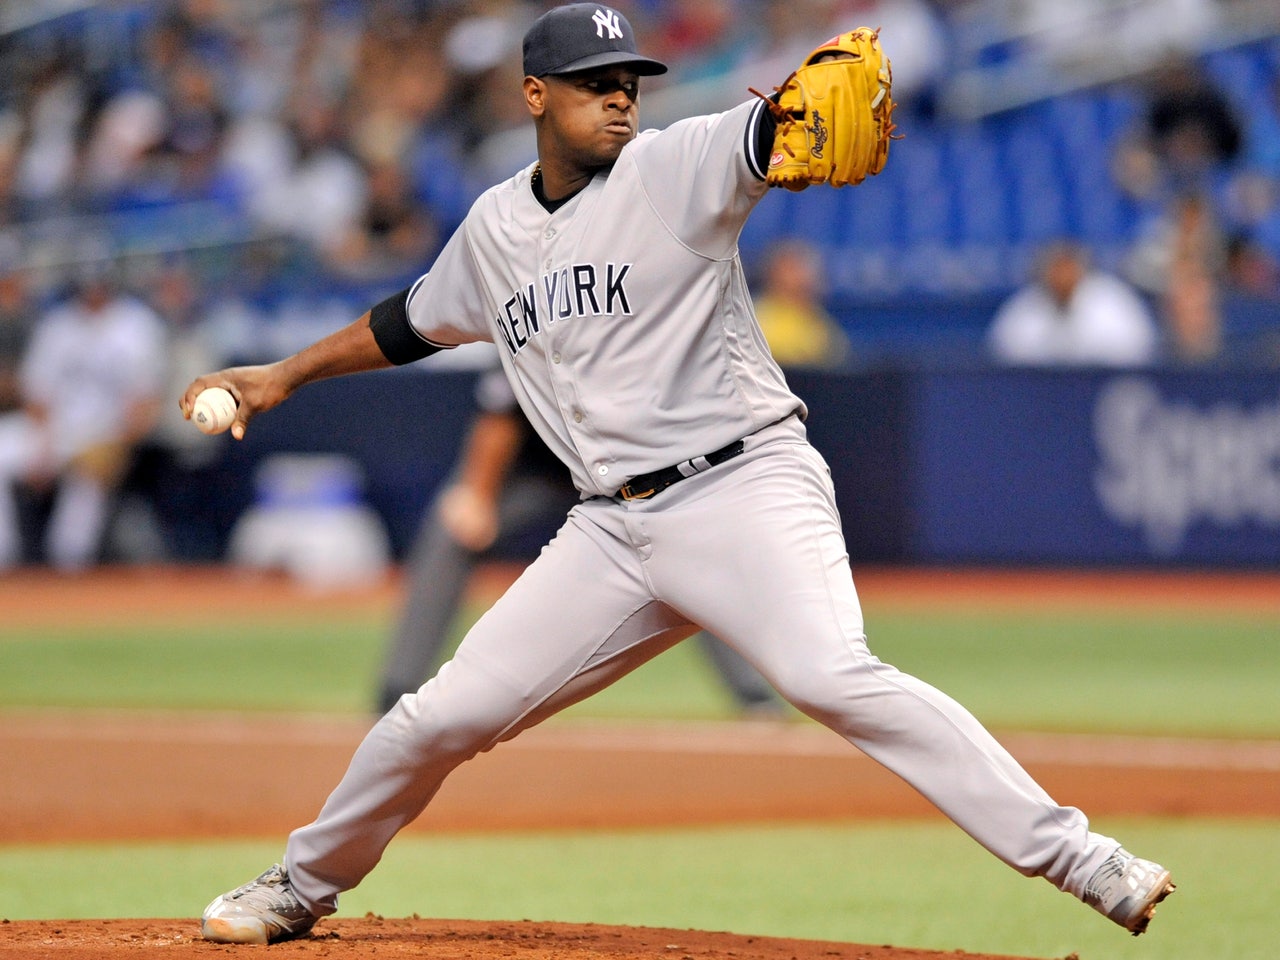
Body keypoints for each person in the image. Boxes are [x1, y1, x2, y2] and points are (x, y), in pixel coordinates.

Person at [185, 4, 1174, 946]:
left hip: (743, 487)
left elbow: (761, 136)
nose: (619, 99)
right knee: (436, 716)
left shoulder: (672, 166)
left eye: (629, 81)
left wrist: (786, 117)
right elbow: (406, 323)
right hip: (609, 533)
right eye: (591, 84)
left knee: (832, 677)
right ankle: (301, 884)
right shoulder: (492, 229)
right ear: (533, 95)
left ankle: (1079, 857)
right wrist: (280, 375)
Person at [375, 357, 783, 718]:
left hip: (632, 475)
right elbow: (498, 412)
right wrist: (477, 494)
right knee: (451, 531)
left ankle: (754, 697)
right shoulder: (540, 324)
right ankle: (394, 692)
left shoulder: (649, 335)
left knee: (686, 553)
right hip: (541, 473)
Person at [0, 261, 168, 572]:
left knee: (88, 476)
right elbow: (38, 393)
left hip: (106, 434)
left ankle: (71, 571)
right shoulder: (58, 325)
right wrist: (42, 446)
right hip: (55, 431)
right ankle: (5, 561)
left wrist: (120, 446)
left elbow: (146, 402)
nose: (94, 288)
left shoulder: (137, 325)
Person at [986, 239, 1160, 366]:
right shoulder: (1023, 309)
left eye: (1068, 269)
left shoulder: (1114, 303)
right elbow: (1004, 357)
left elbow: (1138, 352)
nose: (1062, 278)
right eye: (1056, 269)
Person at [751, 239, 853, 369]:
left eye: (805, 270)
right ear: (773, 274)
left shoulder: (821, 325)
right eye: (791, 269)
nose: (801, 277)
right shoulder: (755, 318)